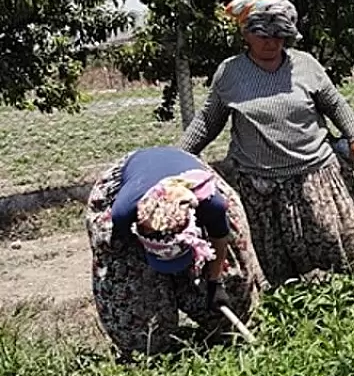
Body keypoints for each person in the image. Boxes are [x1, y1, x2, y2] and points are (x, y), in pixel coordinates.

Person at [179, 0, 354, 288]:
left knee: (341, 245)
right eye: (264, 36)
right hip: (261, 186)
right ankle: (296, 311)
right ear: (246, 34)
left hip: (316, 176)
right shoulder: (230, 73)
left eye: (280, 36)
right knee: (278, 260)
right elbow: (207, 121)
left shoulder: (305, 65)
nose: (272, 43)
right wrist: (177, 158)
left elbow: (335, 104)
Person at [85, 146, 265, 358]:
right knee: (131, 290)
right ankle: (150, 349)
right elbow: (123, 251)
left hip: (187, 178)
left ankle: (223, 333)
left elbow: (220, 238)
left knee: (233, 283)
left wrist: (215, 283)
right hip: (132, 185)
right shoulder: (123, 214)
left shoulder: (211, 204)